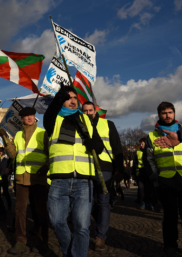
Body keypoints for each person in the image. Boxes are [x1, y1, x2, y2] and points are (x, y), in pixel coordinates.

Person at [43, 85, 104, 257]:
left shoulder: (86, 120)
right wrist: (60, 95)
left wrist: (95, 145)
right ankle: (70, 252)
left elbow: (99, 145)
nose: (72, 100)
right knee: (56, 222)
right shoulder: (53, 119)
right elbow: (52, 109)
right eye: (68, 97)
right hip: (59, 179)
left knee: (82, 226)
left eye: (75, 98)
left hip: (84, 181)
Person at [144, 102, 182, 256]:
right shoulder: (151, 136)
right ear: (159, 115)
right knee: (169, 216)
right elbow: (149, 160)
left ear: (174, 114)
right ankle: (170, 245)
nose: (167, 115)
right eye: (164, 113)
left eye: (170, 112)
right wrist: (156, 177)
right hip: (165, 181)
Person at [0, 107, 49, 254]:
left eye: (31, 115)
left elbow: (50, 153)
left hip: (38, 178)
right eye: (26, 116)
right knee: (20, 210)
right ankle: (20, 240)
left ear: (34, 117)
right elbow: (13, 154)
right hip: (21, 178)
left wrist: (45, 168)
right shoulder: (18, 135)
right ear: (21, 118)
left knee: (40, 211)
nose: (29, 118)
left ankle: (42, 241)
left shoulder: (43, 133)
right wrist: (5, 139)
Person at [82, 101, 124, 251]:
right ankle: (99, 225)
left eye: (90, 110)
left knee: (103, 202)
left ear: (95, 111)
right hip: (85, 167)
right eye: (85, 111)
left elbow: (117, 146)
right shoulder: (80, 125)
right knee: (88, 203)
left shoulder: (108, 124)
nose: (87, 113)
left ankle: (100, 236)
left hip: (105, 167)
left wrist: (119, 170)